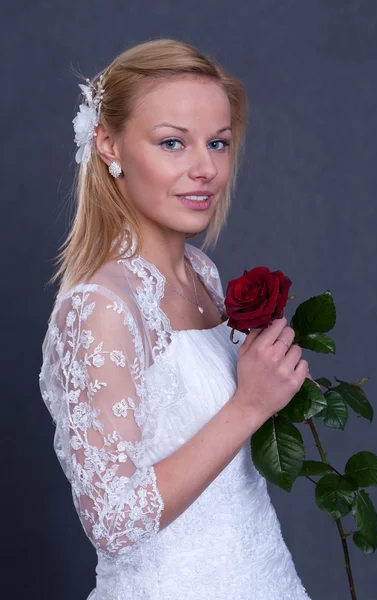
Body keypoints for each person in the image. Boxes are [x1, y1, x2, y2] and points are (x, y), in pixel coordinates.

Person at [39, 38, 312, 600]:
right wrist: (251, 404)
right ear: (109, 143)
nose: (205, 169)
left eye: (218, 142)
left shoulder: (202, 274)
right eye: (172, 143)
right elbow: (115, 523)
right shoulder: (100, 308)